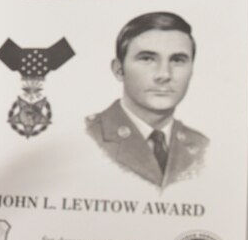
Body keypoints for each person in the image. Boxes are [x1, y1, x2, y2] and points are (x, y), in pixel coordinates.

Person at [86, 11, 208, 187]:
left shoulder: (203, 147)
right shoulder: (87, 137)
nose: (164, 75)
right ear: (119, 70)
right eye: (147, 59)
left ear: (191, 70)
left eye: (177, 60)